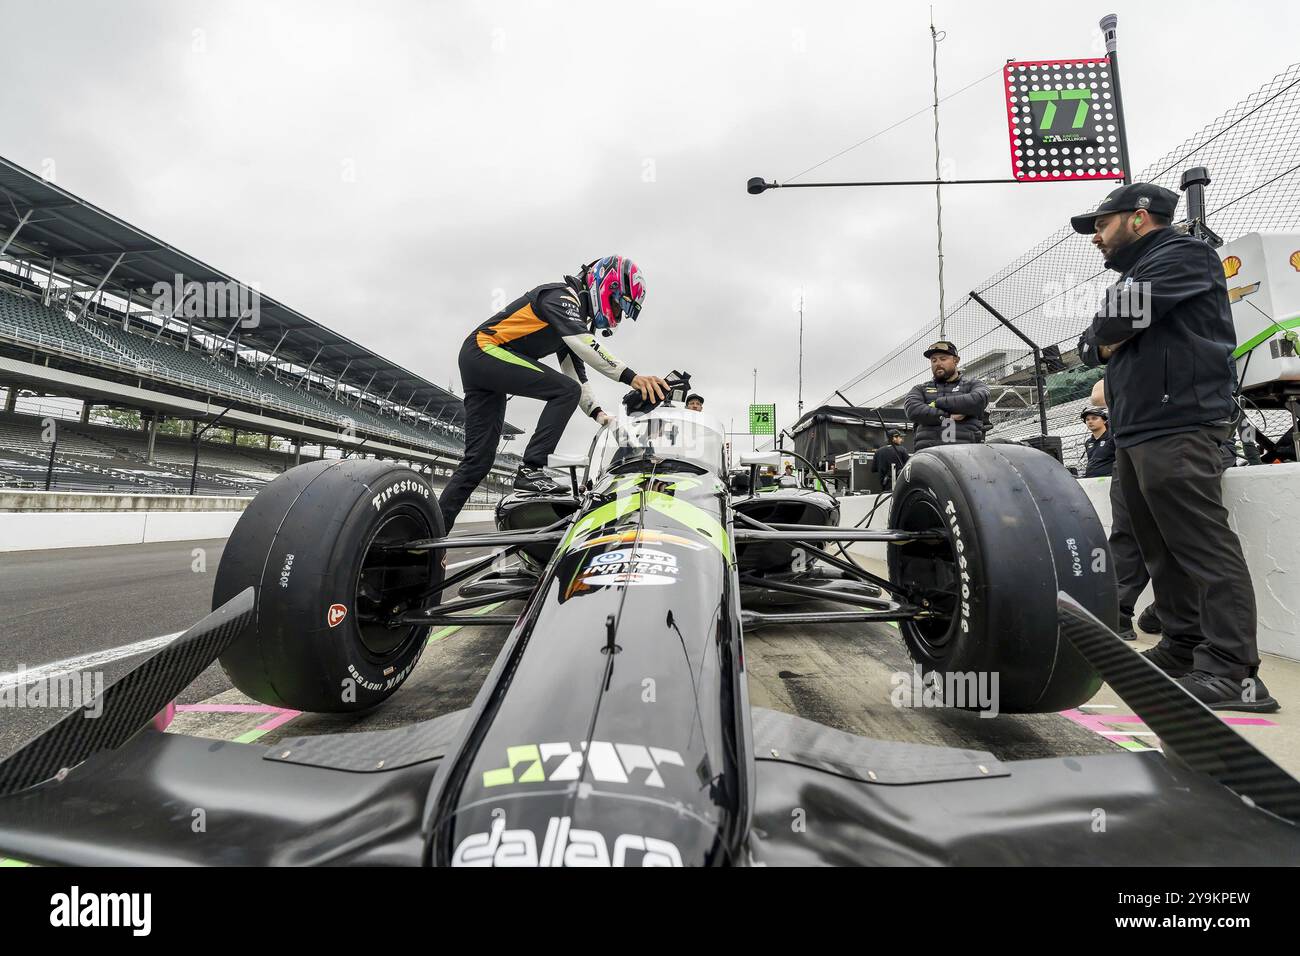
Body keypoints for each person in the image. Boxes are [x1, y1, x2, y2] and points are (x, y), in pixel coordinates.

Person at [1074, 183, 1276, 711]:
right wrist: (1106, 336)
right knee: (1159, 548)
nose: (1095, 237)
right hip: (1137, 429)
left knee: (1201, 545)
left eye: (1102, 224)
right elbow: (1091, 345)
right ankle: (1184, 646)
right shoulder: (1136, 275)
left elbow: (1111, 325)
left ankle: (1234, 671)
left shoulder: (1184, 253)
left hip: (1180, 422)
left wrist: (1108, 332)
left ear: (1139, 218)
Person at [438, 255, 670, 531]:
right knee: (564, 391)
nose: (617, 317)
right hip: (484, 350)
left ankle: (431, 532)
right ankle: (531, 469)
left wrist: (599, 415)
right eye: (619, 306)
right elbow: (584, 346)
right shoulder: (562, 297)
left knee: (478, 462)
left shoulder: (572, 324)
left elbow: (576, 377)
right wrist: (632, 377)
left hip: (480, 361)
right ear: (606, 286)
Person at [903, 341, 990, 451]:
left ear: (956, 360)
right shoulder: (920, 389)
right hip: (929, 454)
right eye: (934, 360)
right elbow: (913, 410)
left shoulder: (972, 385)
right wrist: (948, 416)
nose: (938, 363)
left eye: (943, 359)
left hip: (965, 453)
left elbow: (979, 399)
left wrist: (937, 403)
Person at [1079, 405, 1115, 477]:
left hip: (1109, 478)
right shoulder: (1088, 442)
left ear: (1104, 420)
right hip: (1091, 479)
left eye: (1094, 418)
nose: (1090, 421)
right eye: (1087, 419)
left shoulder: (1113, 438)